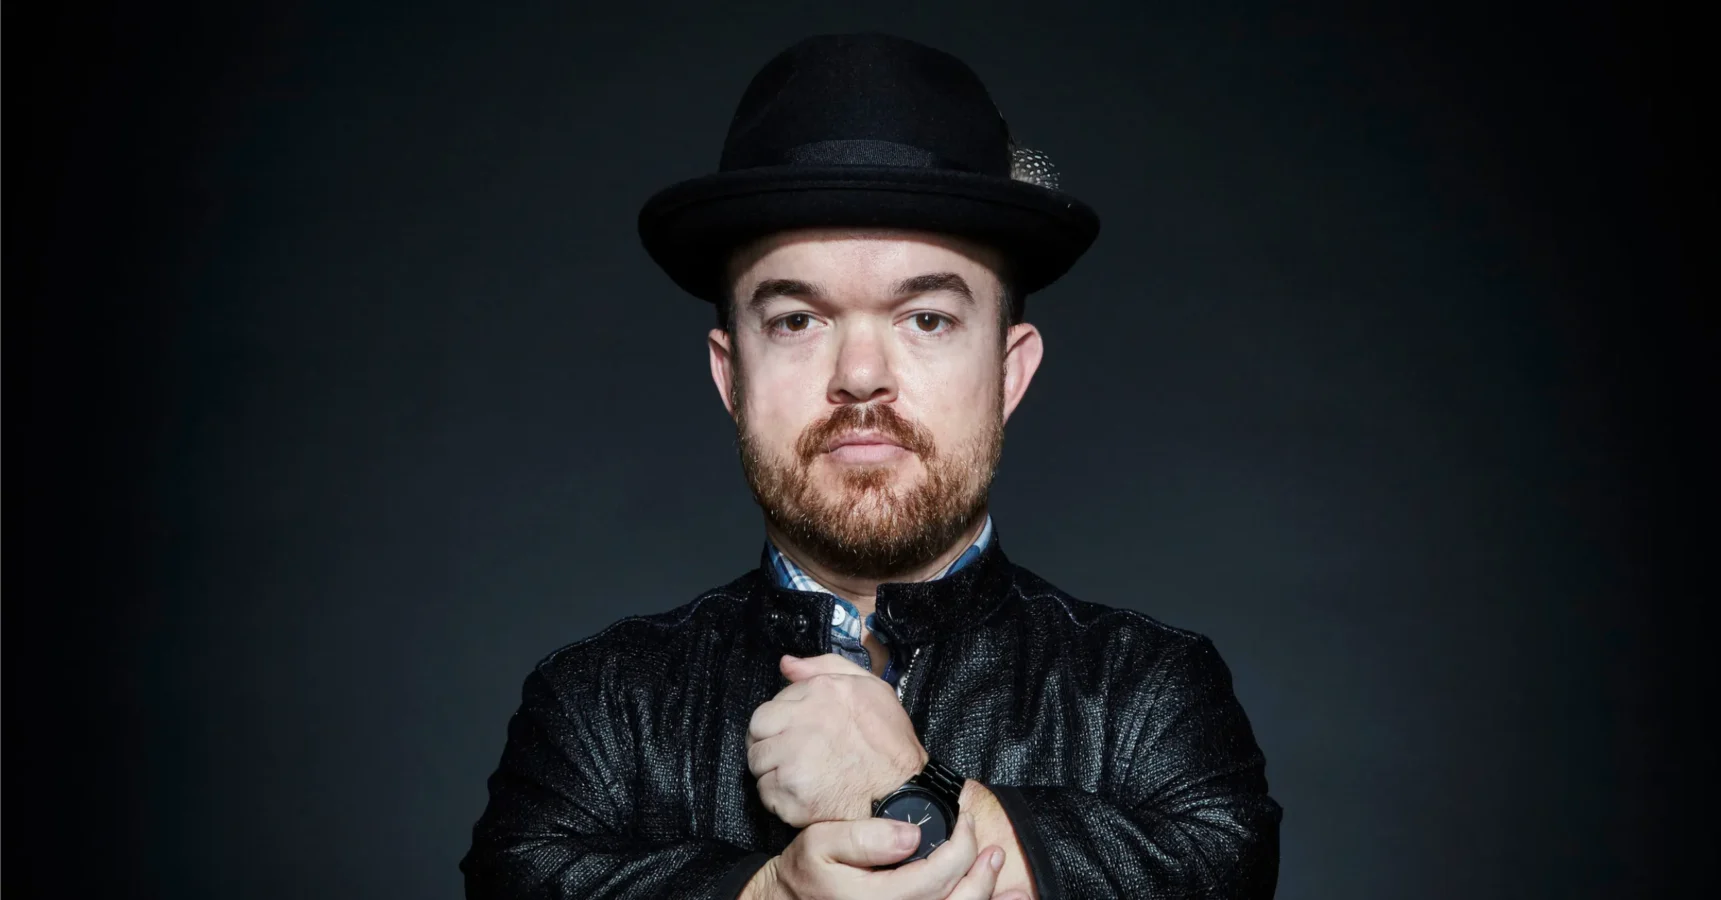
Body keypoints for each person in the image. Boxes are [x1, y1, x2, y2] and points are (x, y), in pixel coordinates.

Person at [461, 32, 1281, 900]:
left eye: (925, 318)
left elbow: (1216, 869)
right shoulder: (599, 708)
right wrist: (769, 895)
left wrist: (901, 788)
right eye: (796, 321)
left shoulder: (1147, 693)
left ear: (1009, 373)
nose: (858, 375)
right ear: (728, 374)